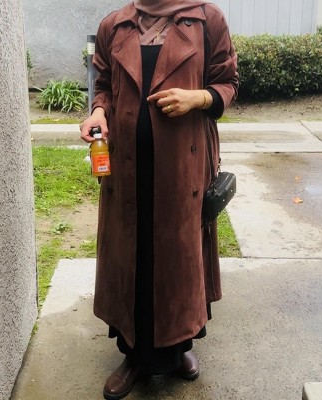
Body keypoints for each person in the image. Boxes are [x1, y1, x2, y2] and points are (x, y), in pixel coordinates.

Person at [80, 1, 238, 399]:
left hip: (183, 167)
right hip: (127, 167)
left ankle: (179, 346)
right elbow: (104, 85)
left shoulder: (207, 19)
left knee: (179, 259)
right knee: (132, 254)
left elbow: (228, 83)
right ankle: (134, 356)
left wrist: (197, 99)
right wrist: (98, 112)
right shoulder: (115, 25)